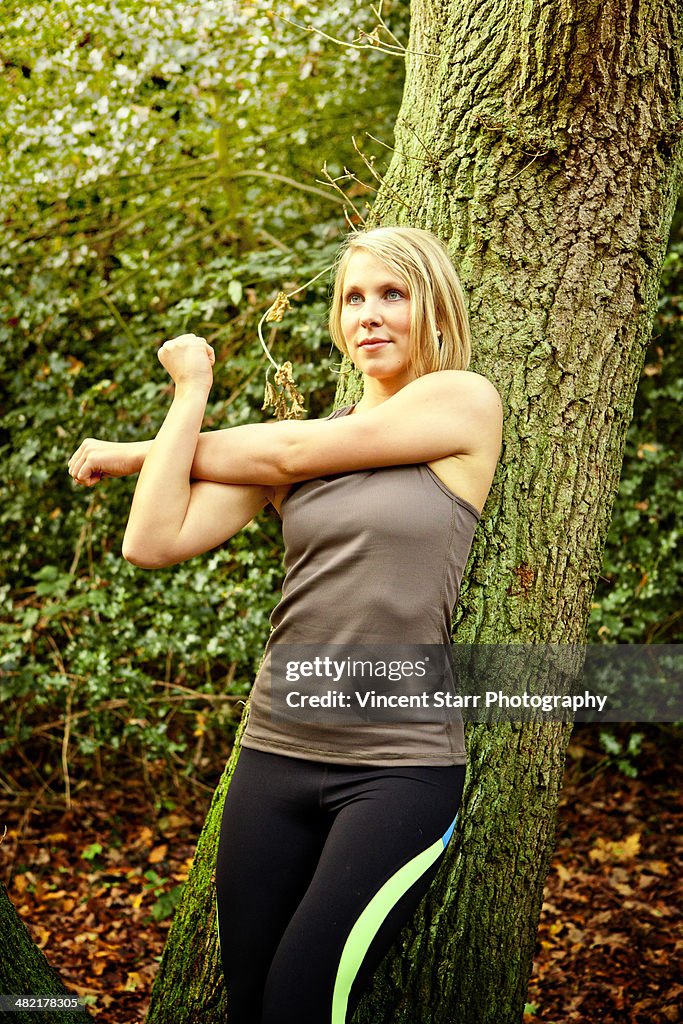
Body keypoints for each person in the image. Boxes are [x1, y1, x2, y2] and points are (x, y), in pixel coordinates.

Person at [68, 226, 502, 1023]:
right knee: (250, 1004)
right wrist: (189, 393)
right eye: (352, 298)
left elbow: (290, 447)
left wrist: (137, 450)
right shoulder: (288, 457)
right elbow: (150, 541)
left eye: (391, 295)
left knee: (303, 1003)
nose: (368, 315)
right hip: (274, 756)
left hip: (397, 770)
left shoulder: (462, 401)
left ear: (433, 308)